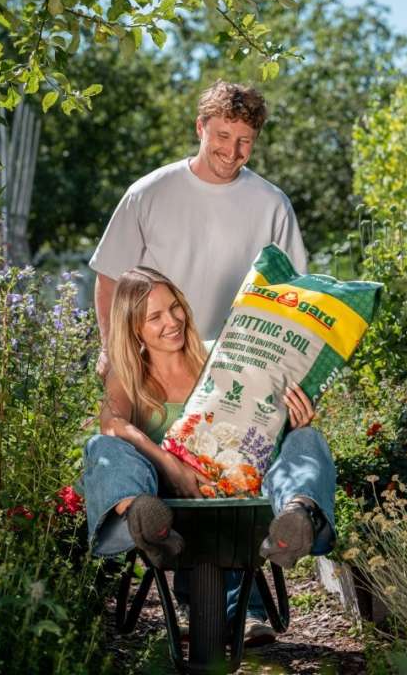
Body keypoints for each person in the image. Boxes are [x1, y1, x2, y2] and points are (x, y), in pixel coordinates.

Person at [82, 267, 337, 647]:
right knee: (102, 447)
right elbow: (111, 424)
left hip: (235, 487)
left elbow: (260, 421)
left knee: (307, 438)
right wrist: (170, 463)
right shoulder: (128, 376)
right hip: (165, 504)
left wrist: (291, 421)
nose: (172, 321)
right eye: (155, 317)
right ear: (134, 328)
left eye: (174, 307)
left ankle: (298, 517)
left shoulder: (219, 358)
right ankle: (139, 515)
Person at [89, 80, 307, 378]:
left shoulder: (274, 205)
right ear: (200, 128)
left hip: (235, 371)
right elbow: (109, 278)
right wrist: (110, 351)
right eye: (223, 135)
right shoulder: (148, 193)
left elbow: (293, 296)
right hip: (150, 368)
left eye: (244, 140)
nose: (232, 150)